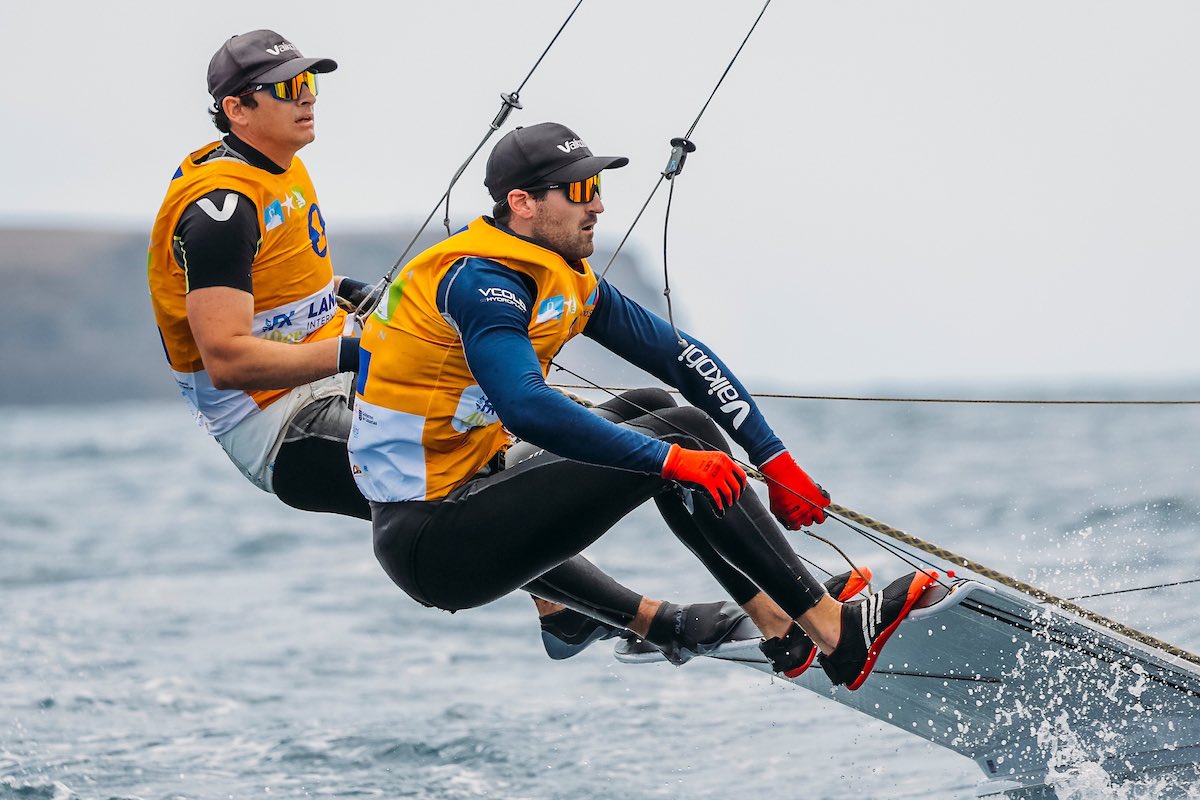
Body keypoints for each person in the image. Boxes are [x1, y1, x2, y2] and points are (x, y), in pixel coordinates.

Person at [144, 30, 768, 665]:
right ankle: (657, 622)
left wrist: (350, 296)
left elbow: (282, 280)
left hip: (324, 381)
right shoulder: (219, 208)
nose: (307, 99)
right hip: (275, 421)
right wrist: (360, 353)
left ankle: (581, 616)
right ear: (237, 109)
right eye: (286, 89)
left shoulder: (277, 168)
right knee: (461, 485)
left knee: (593, 421)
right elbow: (227, 360)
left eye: (309, 84)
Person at [350, 122, 936, 689]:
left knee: (657, 406)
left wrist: (774, 457)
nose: (598, 206)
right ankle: (834, 632)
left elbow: (682, 358)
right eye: (579, 191)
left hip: (468, 496)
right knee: (680, 438)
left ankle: (781, 622)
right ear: (522, 203)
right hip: (435, 542)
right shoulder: (481, 282)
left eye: (598, 189)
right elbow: (527, 406)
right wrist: (669, 462)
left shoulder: (561, 274)